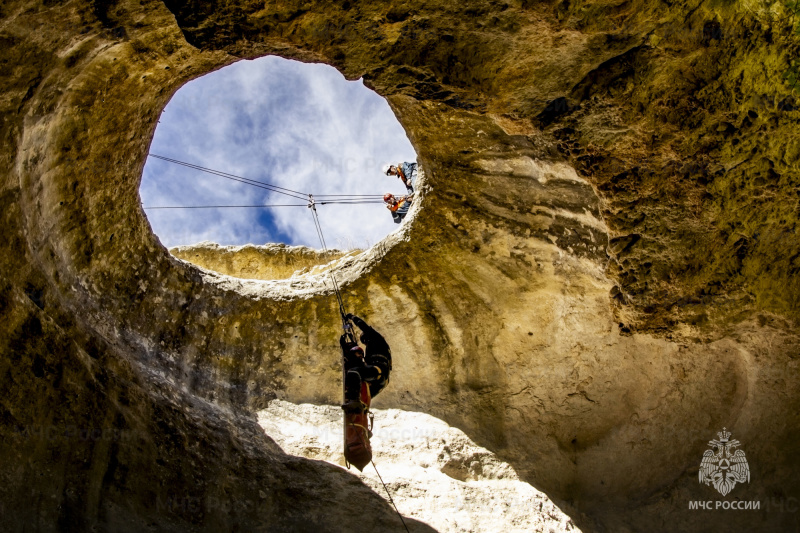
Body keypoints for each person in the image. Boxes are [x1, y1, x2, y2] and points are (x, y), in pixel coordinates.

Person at [341, 314, 392, 414]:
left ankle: (354, 402)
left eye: (364, 340)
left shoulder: (376, 338)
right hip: (381, 379)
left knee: (354, 372)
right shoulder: (378, 348)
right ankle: (360, 408)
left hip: (379, 370)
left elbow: (363, 325)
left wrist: (352, 317)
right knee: (362, 397)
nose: (365, 342)